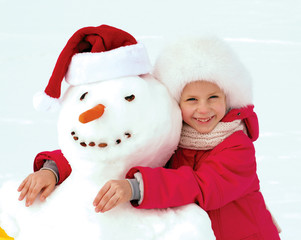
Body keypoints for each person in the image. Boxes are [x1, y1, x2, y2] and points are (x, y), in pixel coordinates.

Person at [18, 36, 281, 239]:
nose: (203, 109)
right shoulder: (174, 136)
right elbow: (118, 155)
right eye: (192, 100)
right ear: (178, 103)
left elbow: (203, 186)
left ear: (229, 97)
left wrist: (137, 186)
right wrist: (53, 170)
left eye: (213, 97)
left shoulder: (237, 146)